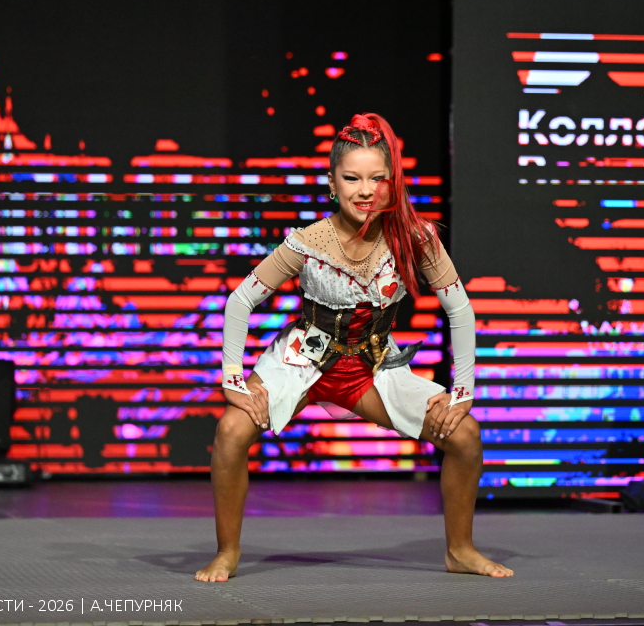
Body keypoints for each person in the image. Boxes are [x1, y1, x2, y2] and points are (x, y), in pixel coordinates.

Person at [195, 113, 513, 582]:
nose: (365, 191)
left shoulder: (415, 237)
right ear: (332, 183)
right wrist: (233, 381)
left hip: (374, 367)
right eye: (352, 178)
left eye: (376, 178)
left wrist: (462, 390)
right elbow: (240, 301)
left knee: (465, 436)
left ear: (391, 181)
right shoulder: (308, 242)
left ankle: (460, 550)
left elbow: (460, 310)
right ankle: (227, 553)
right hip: (303, 360)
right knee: (230, 431)